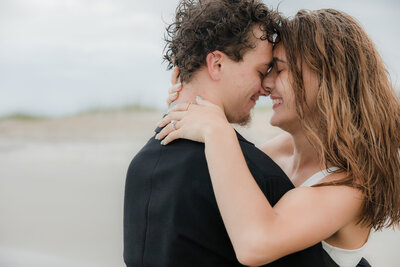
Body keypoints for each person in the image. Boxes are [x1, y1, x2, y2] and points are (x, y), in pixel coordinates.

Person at [158, 8, 400, 267]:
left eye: (280, 70)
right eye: (266, 71)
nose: (266, 85)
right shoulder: (272, 153)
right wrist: (187, 99)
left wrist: (219, 131)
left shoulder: (349, 188)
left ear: (328, 78)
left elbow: (255, 244)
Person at [124, 1, 338, 266]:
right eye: (261, 71)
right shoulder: (258, 175)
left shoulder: (139, 167)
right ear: (217, 64)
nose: (265, 88)